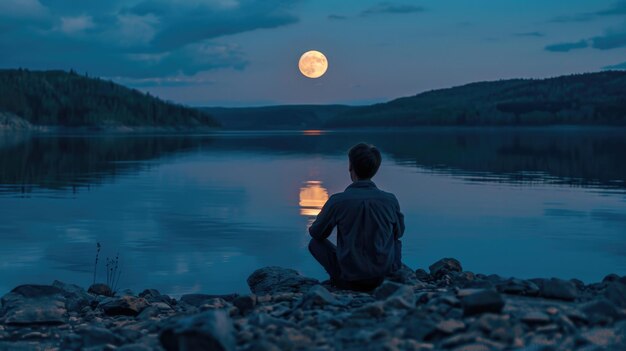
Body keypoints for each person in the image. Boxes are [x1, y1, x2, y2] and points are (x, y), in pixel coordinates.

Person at [308, 142, 405, 291]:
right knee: (395, 240)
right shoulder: (390, 200)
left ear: (350, 167)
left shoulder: (338, 201)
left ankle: (340, 279)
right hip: (384, 279)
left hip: (349, 280)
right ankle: (391, 275)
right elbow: (399, 233)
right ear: (375, 170)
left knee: (315, 243)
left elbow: (316, 233)